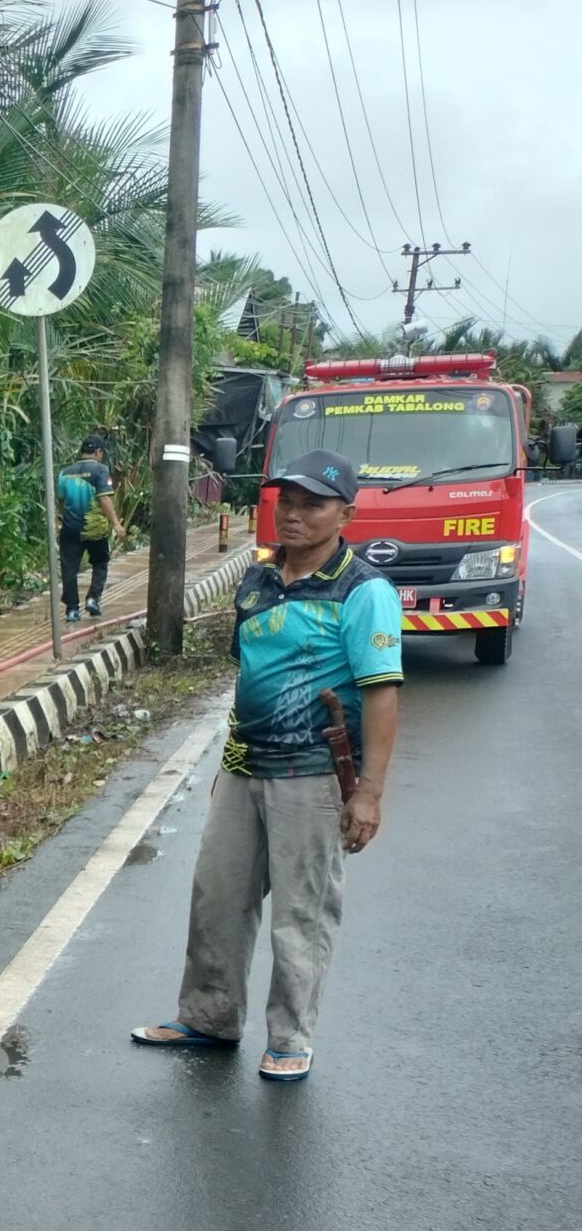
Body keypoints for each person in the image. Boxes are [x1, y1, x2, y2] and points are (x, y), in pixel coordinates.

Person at [131, 448, 401, 1082]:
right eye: (288, 501)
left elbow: (384, 694)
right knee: (217, 897)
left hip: (312, 774)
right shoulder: (257, 581)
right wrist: (226, 766)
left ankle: (290, 1036)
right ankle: (208, 1018)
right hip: (246, 766)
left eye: (314, 504)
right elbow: (249, 676)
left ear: (346, 513)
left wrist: (369, 793)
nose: (296, 515)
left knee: (301, 913)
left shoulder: (364, 592)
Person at [57, 435, 128, 622]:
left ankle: (72, 610)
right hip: (94, 528)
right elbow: (104, 498)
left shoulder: (65, 473)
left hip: (70, 528)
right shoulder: (100, 470)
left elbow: (61, 500)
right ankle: (93, 599)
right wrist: (116, 524)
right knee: (99, 563)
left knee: (69, 569)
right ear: (98, 452)